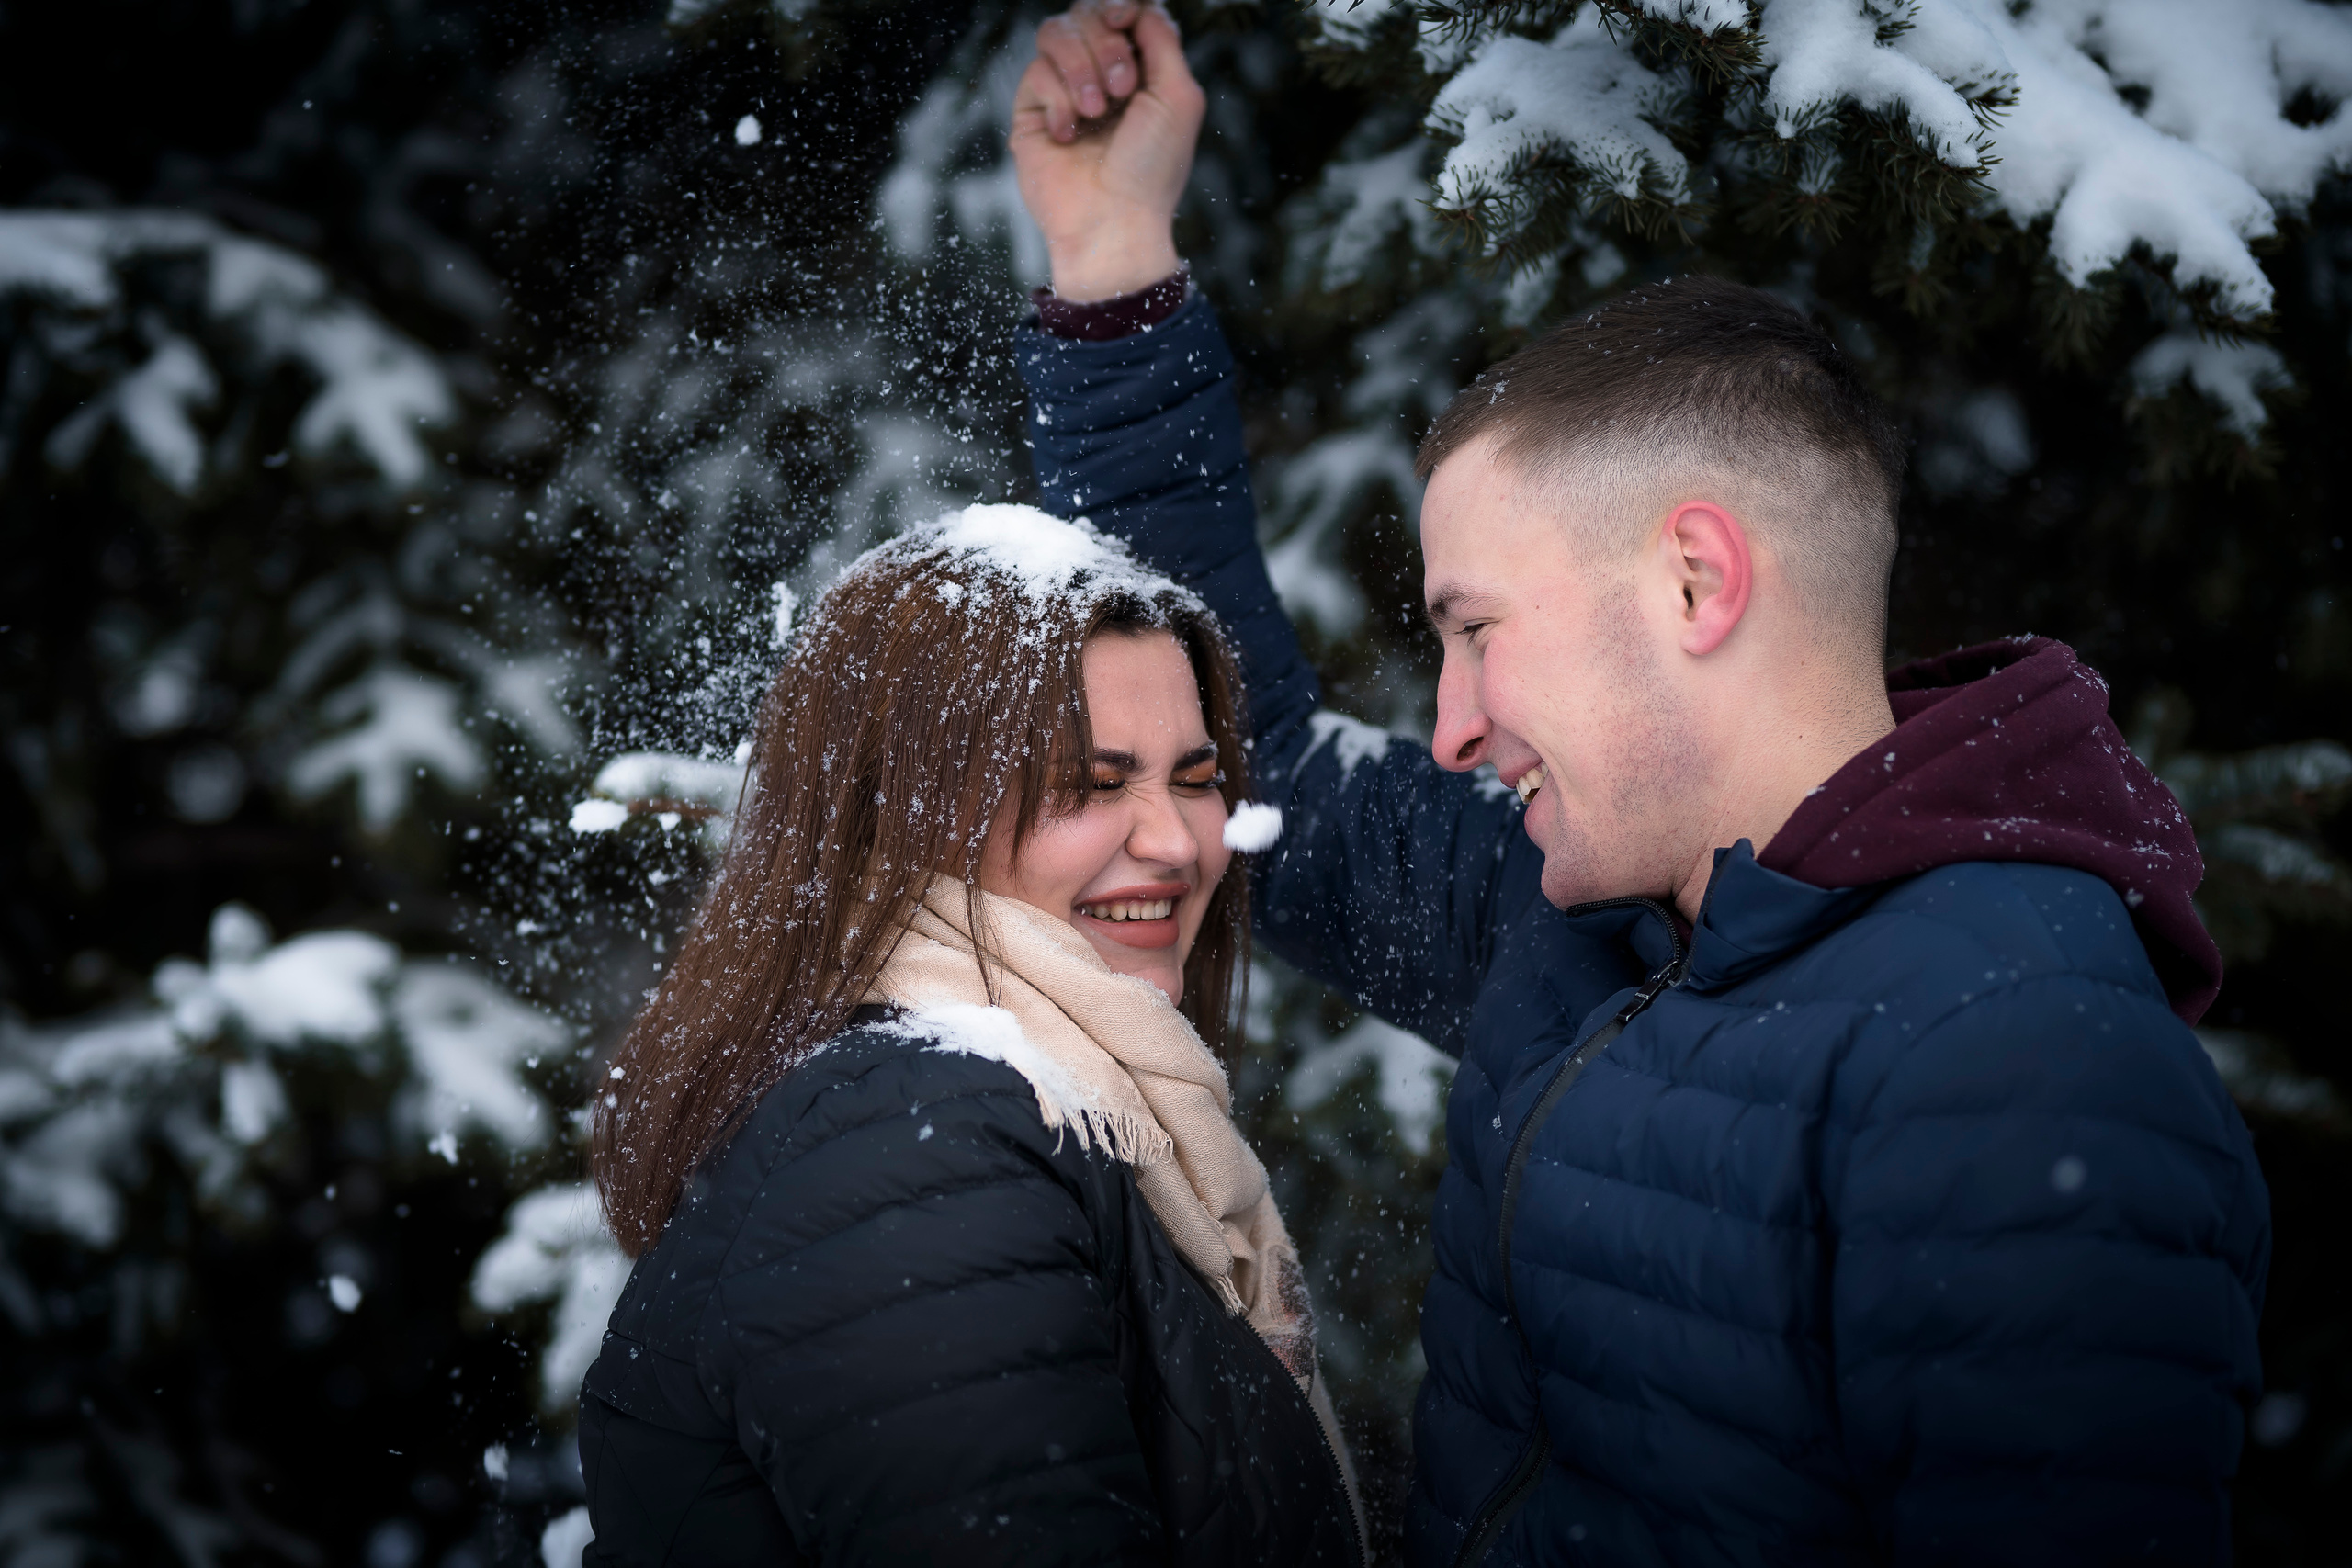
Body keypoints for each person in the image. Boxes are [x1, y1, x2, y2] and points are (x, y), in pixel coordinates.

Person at [1009, 6, 2271, 1564]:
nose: (1455, 725)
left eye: (1475, 630)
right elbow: (1248, 748)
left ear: (1694, 583)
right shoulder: (1584, 920)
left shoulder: (2012, 1057)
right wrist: (1112, 251)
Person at [578, 505, 1363, 1566]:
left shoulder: (990, 1109)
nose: (1176, 840)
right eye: (1089, 785)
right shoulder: (919, 1149)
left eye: (1193, 777)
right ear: (908, 807)